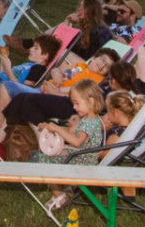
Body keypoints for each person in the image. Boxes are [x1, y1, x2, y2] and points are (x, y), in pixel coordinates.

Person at [35, 81, 107, 210]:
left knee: (46, 161)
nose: (74, 107)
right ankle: (66, 190)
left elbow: (77, 141)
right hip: (82, 158)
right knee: (53, 155)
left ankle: (59, 196)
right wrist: (51, 127)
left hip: (82, 163)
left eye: (77, 103)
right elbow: (70, 132)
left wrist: (58, 129)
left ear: (91, 101)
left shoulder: (89, 123)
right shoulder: (90, 119)